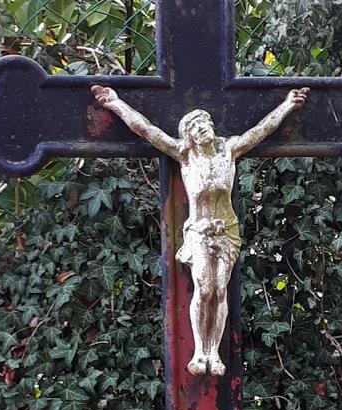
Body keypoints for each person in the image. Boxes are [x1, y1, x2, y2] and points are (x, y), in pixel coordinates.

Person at [92, 85, 309, 376]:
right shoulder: (184, 155)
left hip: (227, 231)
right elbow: (146, 129)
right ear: (189, 136)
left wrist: (288, 105)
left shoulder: (229, 150)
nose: (201, 129)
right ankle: (199, 352)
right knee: (204, 288)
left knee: (220, 290)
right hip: (199, 231)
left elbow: (261, 131)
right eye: (194, 127)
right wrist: (115, 103)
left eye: (204, 123)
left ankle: (213, 353)